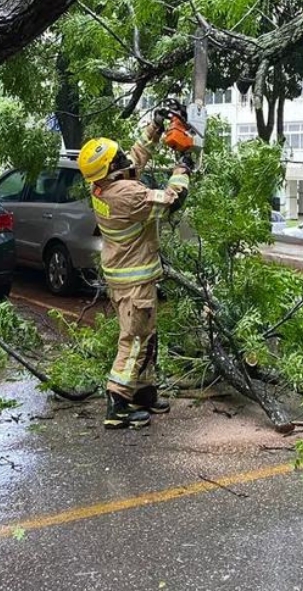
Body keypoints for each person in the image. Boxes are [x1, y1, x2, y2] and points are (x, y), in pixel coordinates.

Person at [78, 121, 190, 430]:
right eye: (117, 157)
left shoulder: (103, 185)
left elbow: (135, 159)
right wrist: (183, 169)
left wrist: (154, 127)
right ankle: (117, 405)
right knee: (136, 340)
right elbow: (172, 200)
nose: (124, 157)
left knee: (147, 336)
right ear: (110, 168)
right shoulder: (126, 195)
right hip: (133, 282)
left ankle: (143, 393)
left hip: (125, 279)